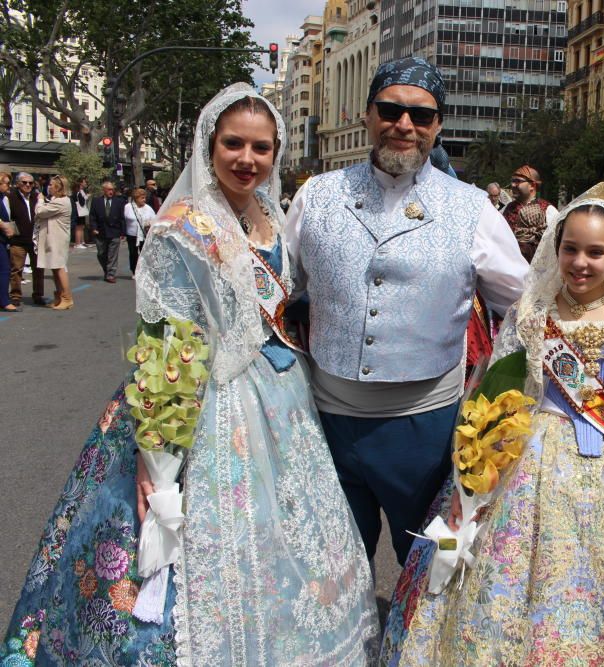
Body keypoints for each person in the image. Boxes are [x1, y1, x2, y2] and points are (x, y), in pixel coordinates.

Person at [1, 84, 379, 666]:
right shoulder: (181, 227)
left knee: (292, 538)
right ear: (209, 145)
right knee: (189, 546)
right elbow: (168, 346)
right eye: (233, 144)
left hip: (281, 396)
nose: (246, 159)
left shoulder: (270, 214)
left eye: (261, 147)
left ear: (276, 152)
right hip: (207, 401)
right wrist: (160, 461)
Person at [380, 182, 604, 665]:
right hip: (536, 460)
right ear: (556, 246)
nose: (580, 262)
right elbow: (499, 390)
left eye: (596, 252)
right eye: (570, 248)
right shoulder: (533, 311)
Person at [285, 56, 528, 566]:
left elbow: (523, 307)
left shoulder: (472, 208)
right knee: (326, 566)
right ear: (368, 115)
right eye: (391, 110)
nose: (405, 126)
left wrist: (494, 400)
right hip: (323, 421)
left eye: (421, 116)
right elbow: (279, 294)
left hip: (428, 432)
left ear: (438, 127)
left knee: (430, 565)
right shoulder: (317, 195)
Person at [502, 164, 560, 262]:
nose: (512, 185)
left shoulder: (548, 210)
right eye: (512, 181)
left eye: (518, 181)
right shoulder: (506, 210)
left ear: (532, 186)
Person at [34, 174, 74, 311]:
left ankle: (67, 298)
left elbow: (39, 212)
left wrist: (39, 201)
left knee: (59, 268)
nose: (48, 187)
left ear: (58, 187)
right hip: (54, 239)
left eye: (51, 185)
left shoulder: (61, 202)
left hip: (57, 239)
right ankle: (59, 297)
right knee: (55, 268)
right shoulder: (58, 200)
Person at [7, 172, 44, 306]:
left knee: (38, 269)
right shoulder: (10, 197)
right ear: (18, 184)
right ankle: (16, 296)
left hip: (35, 240)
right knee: (16, 269)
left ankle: (38, 295)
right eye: (24, 182)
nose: (28, 185)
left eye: (30, 183)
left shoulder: (37, 197)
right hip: (17, 241)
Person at [90, 180, 126, 283]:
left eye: (112, 190)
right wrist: (94, 228)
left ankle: (111, 274)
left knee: (112, 254)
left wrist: (123, 232)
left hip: (114, 231)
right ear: (104, 190)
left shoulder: (119, 201)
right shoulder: (96, 201)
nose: (111, 191)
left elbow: (122, 217)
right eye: (109, 189)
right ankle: (107, 270)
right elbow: (92, 216)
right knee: (101, 253)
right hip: (100, 231)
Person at [124, 187, 156, 275]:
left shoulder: (148, 208)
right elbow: (123, 219)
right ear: (136, 198)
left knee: (145, 253)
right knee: (133, 254)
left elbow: (154, 219)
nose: (144, 200)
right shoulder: (128, 207)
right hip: (132, 234)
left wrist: (149, 224)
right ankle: (134, 271)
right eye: (142, 198)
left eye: (145, 198)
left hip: (144, 234)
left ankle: (145, 271)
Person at [0, 172, 18, 311]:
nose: (8, 185)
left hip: (3, 239)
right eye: (6, 182)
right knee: (5, 270)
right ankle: (4, 301)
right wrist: (5, 227)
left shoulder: (3, 198)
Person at [72, 177, 91, 248]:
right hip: (79, 211)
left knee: (81, 226)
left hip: (80, 212)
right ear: (80, 183)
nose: (85, 183)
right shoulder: (78, 192)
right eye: (84, 182)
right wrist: (86, 197)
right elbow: (82, 202)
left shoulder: (81, 191)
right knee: (79, 227)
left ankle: (82, 242)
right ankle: (78, 243)